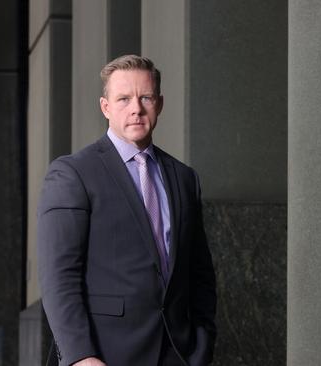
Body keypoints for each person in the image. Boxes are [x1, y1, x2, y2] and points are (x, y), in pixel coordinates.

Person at [37, 55, 216, 366]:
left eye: (145, 97)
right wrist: (80, 356)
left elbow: (200, 273)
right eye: (123, 99)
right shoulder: (73, 173)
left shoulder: (184, 178)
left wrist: (202, 344)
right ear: (105, 107)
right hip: (104, 356)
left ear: (159, 104)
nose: (136, 108)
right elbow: (58, 276)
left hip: (178, 354)